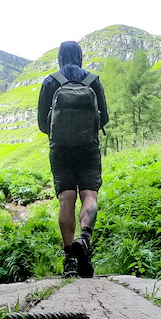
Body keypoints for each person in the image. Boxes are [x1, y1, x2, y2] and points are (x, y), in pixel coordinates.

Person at [37, 40, 109, 278]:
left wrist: (60, 134)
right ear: (80, 56)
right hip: (89, 147)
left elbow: (42, 124)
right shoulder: (93, 80)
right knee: (89, 194)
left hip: (60, 149)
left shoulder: (51, 81)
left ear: (59, 56)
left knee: (66, 198)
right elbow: (104, 118)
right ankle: (85, 239)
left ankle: (70, 260)